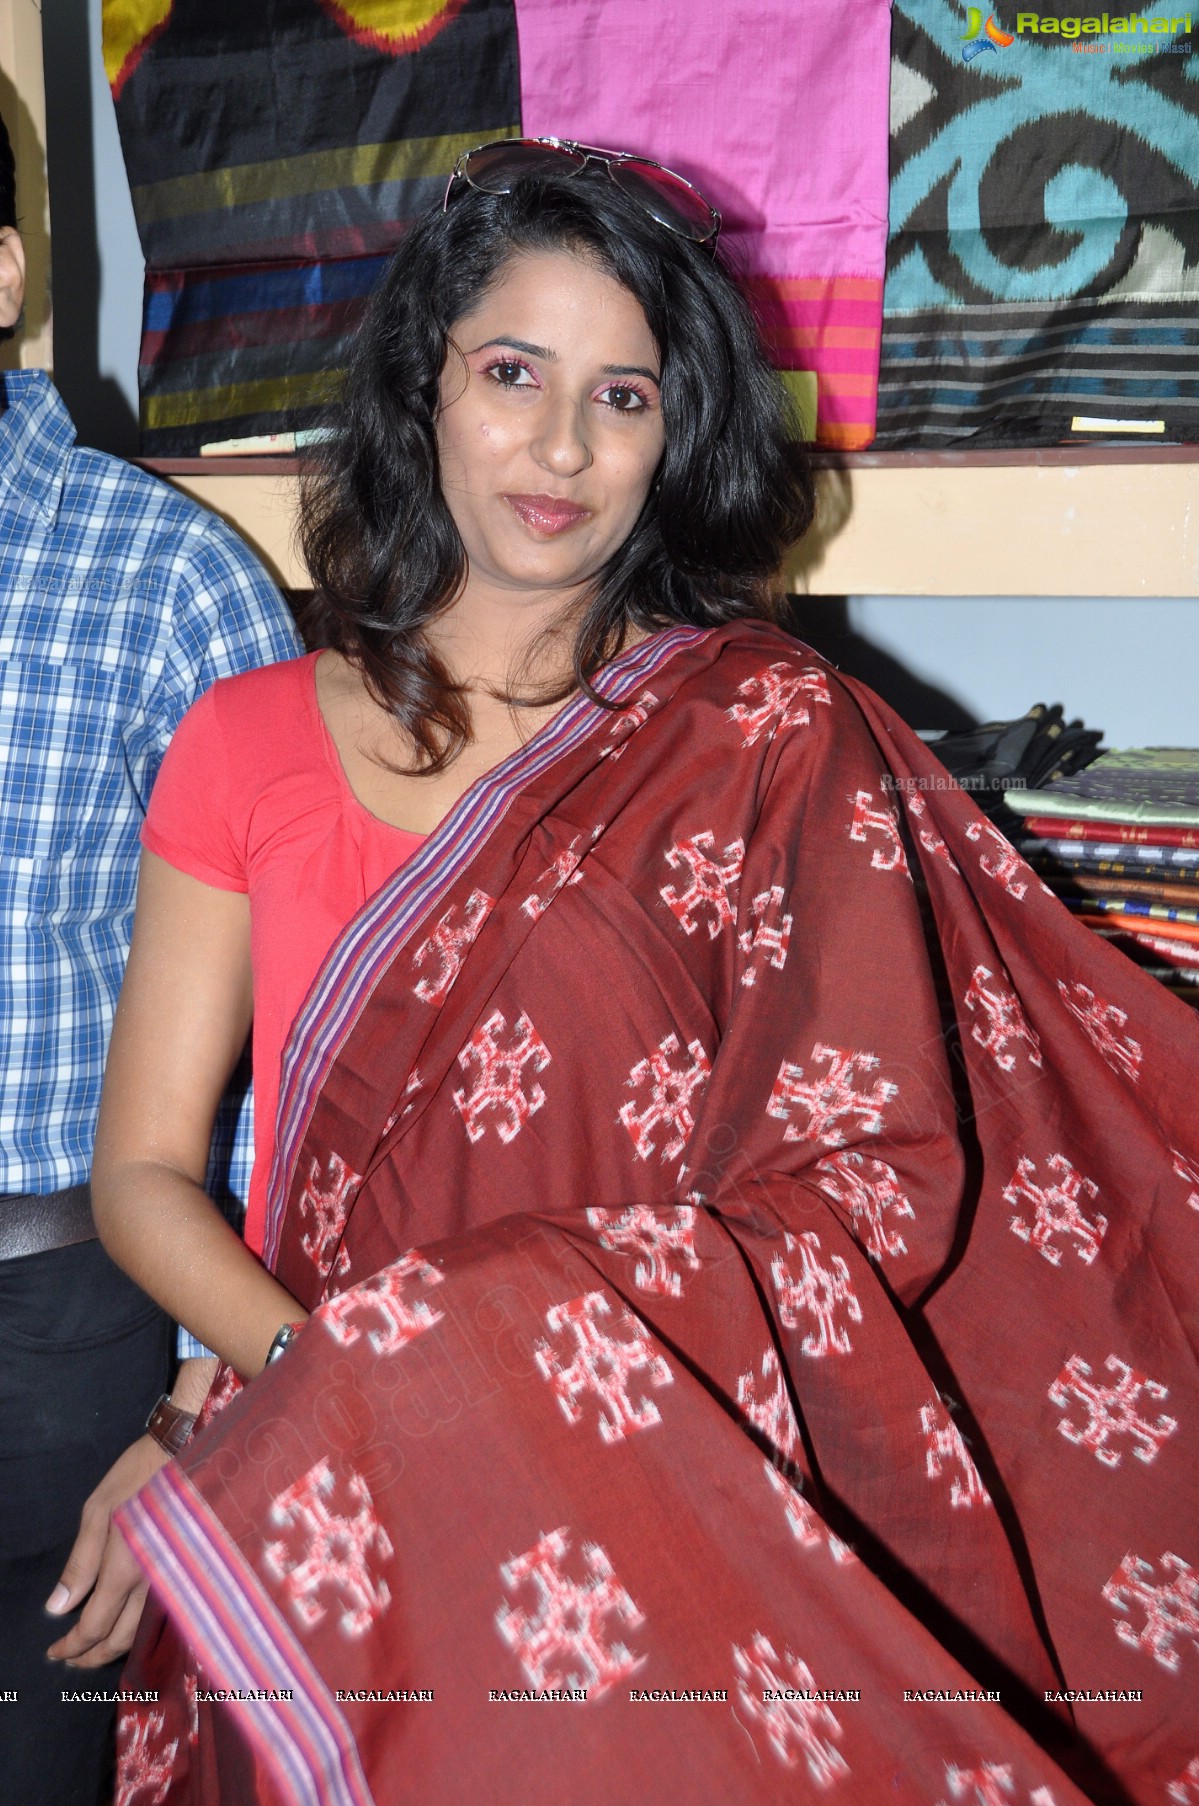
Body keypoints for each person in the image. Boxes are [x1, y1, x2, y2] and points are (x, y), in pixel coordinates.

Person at [94, 143, 1196, 1804]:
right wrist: (344, 1385)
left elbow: (876, 1172)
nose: (560, 447)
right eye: (513, 374)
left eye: (623, 396)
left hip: (652, 1471)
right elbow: (149, 1173)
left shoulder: (764, 737)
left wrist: (515, 1370)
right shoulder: (246, 737)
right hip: (321, 1452)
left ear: (676, 435)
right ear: (425, 385)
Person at [0, 108, 301, 1806]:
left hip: (62, 1340)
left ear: (1, 273)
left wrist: (199, 1405)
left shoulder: (173, 584)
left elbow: (284, 1036)